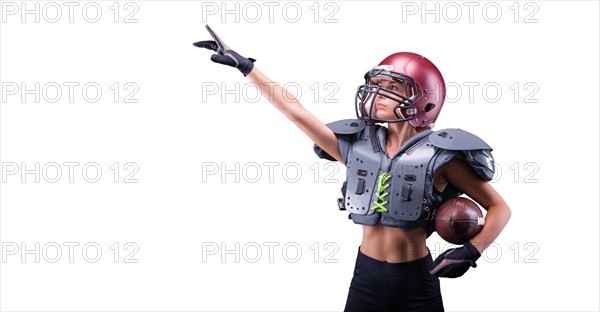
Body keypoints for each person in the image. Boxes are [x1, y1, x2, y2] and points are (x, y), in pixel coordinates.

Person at [194, 25, 511, 312]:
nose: (379, 94)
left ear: (425, 99)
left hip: (415, 278)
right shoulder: (359, 145)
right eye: (378, 85)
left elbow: (499, 208)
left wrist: (472, 250)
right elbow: (297, 113)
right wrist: (248, 68)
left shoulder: (442, 155)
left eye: (392, 87)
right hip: (366, 274)